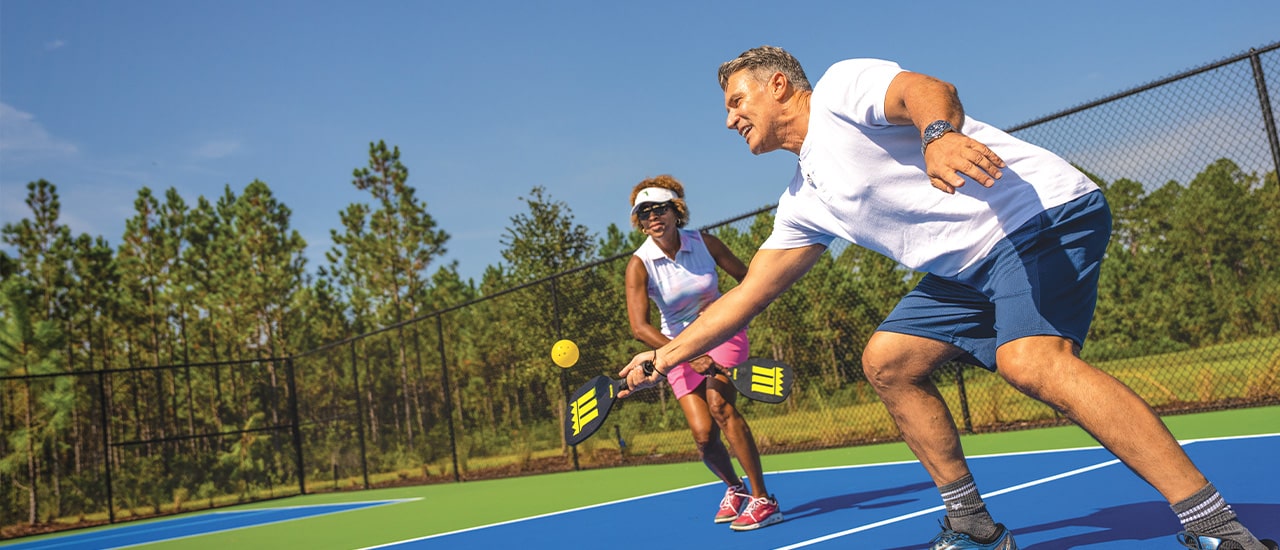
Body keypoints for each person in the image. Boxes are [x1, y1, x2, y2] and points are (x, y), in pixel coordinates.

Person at [617, 46, 1276, 550]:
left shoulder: (843, 89)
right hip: (970, 269)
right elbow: (748, 294)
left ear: (780, 86)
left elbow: (926, 90)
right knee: (888, 361)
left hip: (1039, 217)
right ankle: (974, 526)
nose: (730, 118)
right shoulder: (803, 200)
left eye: (737, 100)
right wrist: (665, 354)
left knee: (1031, 361)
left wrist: (938, 135)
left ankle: (1213, 524)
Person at [619, 174, 783, 531]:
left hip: (723, 330)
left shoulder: (706, 243)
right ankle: (734, 488)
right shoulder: (639, 264)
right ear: (640, 223)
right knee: (703, 436)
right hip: (674, 345)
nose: (653, 218)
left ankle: (763, 499)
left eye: (659, 209)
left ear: (676, 211)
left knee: (720, 406)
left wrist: (736, 314)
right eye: (644, 214)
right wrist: (685, 353)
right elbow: (639, 327)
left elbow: (749, 279)